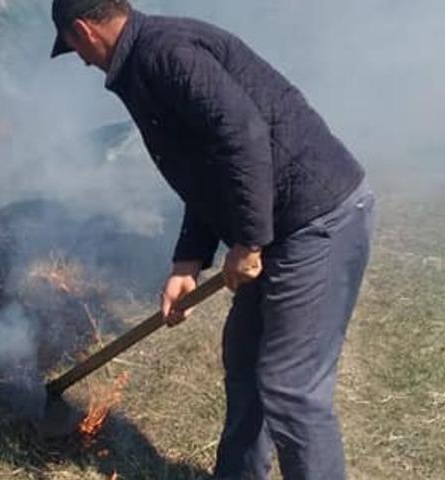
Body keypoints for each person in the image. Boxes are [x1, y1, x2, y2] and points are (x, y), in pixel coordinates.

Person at [49, 1, 375, 479]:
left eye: (74, 46)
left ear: (83, 31)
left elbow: (243, 135)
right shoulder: (145, 61)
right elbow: (205, 169)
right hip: (281, 225)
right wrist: (188, 261)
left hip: (316, 221)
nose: (80, 60)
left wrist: (248, 241)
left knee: (291, 386)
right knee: (244, 360)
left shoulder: (165, 53)